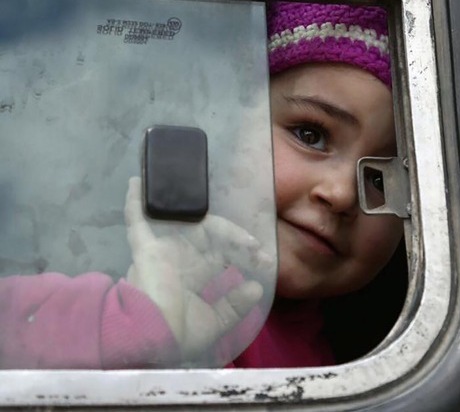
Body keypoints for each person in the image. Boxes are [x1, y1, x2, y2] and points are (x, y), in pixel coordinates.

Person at [0, 1, 405, 369]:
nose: (342, 194)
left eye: (379, 177)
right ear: (223, 122)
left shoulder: (374, 360)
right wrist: (129, 325)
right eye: (310, 135)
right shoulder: (113, 263)